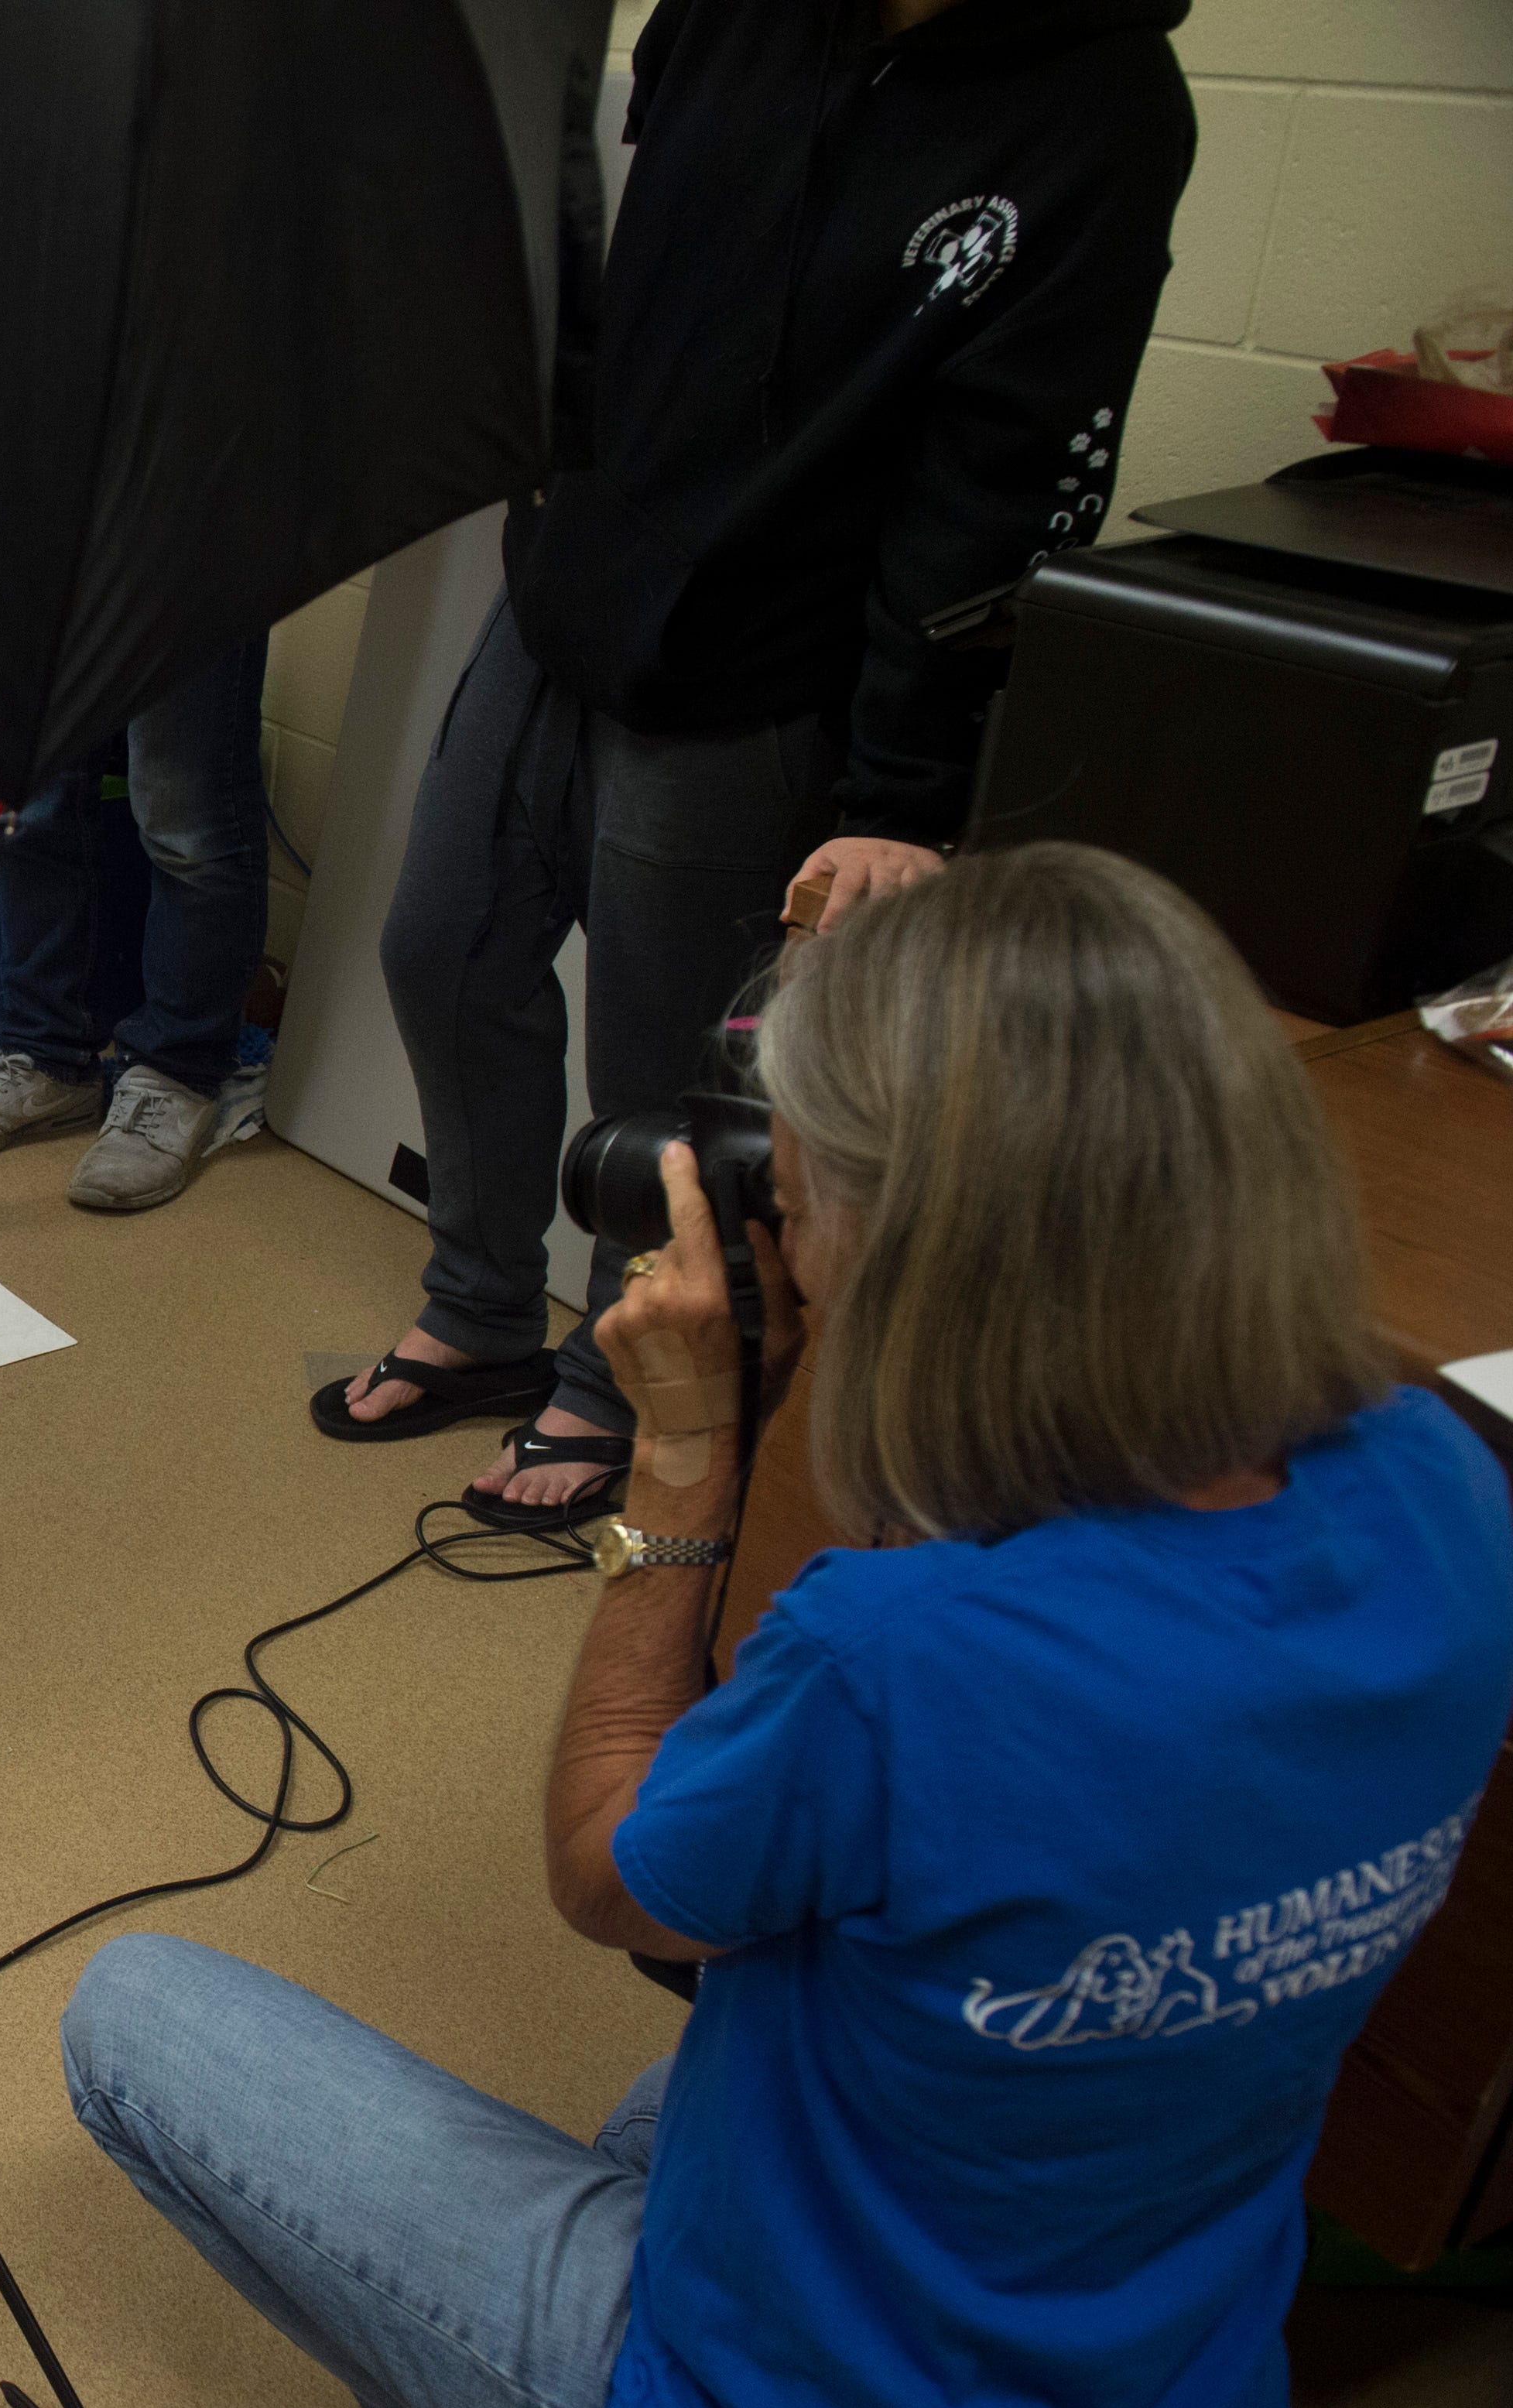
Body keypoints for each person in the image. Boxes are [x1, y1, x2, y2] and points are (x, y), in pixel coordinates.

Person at [62, 845, 1513, 2408]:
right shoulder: (1437, 1480)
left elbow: (611, 1879)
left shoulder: (895, 1653)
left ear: (925, 1254)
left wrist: (681, 1455)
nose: (785, 1235)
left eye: (808, 1197)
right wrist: (962, 992)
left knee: (133, 2010)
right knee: (646, 2112)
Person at [317, 0, 1196, 1528]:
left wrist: (898, 799)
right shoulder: (738, 11)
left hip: (777, 642)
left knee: (665, 1065)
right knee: (439, 941)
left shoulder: (1103, 107)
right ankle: (475, 1303)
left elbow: (1001, 484)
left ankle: (619, 1365)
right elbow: (631, 264)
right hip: (582, 566)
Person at [0, 637, 275, 1213]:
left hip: (194, 557)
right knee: (29, 795)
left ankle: (175, 1073)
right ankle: (45, 1056)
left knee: (182, 806)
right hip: (48, 558)